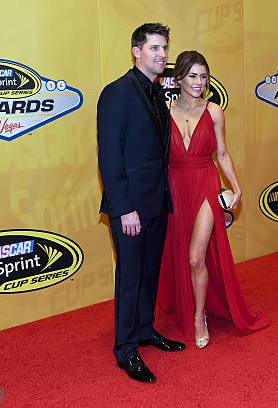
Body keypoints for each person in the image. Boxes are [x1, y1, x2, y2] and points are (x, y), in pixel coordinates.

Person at [158, 51, 269, 348]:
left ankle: (198, 317)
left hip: (206, 184)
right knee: (182, 254)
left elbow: (221, 153)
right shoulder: (164, 108)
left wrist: (236, 186)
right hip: (175, 185)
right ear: (179, 78)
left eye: (204, 76)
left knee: (196, 257)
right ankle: (191, 306)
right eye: (193, 75)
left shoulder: (214, 110)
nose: (199, 82)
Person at [97, 23, 185, 384]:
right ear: (136, 51)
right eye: (154, 48)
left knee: (150, 272)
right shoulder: (116, 93)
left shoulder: (155, 93)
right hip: (130, 206)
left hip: (156, 202)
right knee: (130, 277)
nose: (162, 55)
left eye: (164, 48)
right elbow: (110, 158)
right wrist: (124, 208)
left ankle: (146, 330)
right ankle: (126, 348)